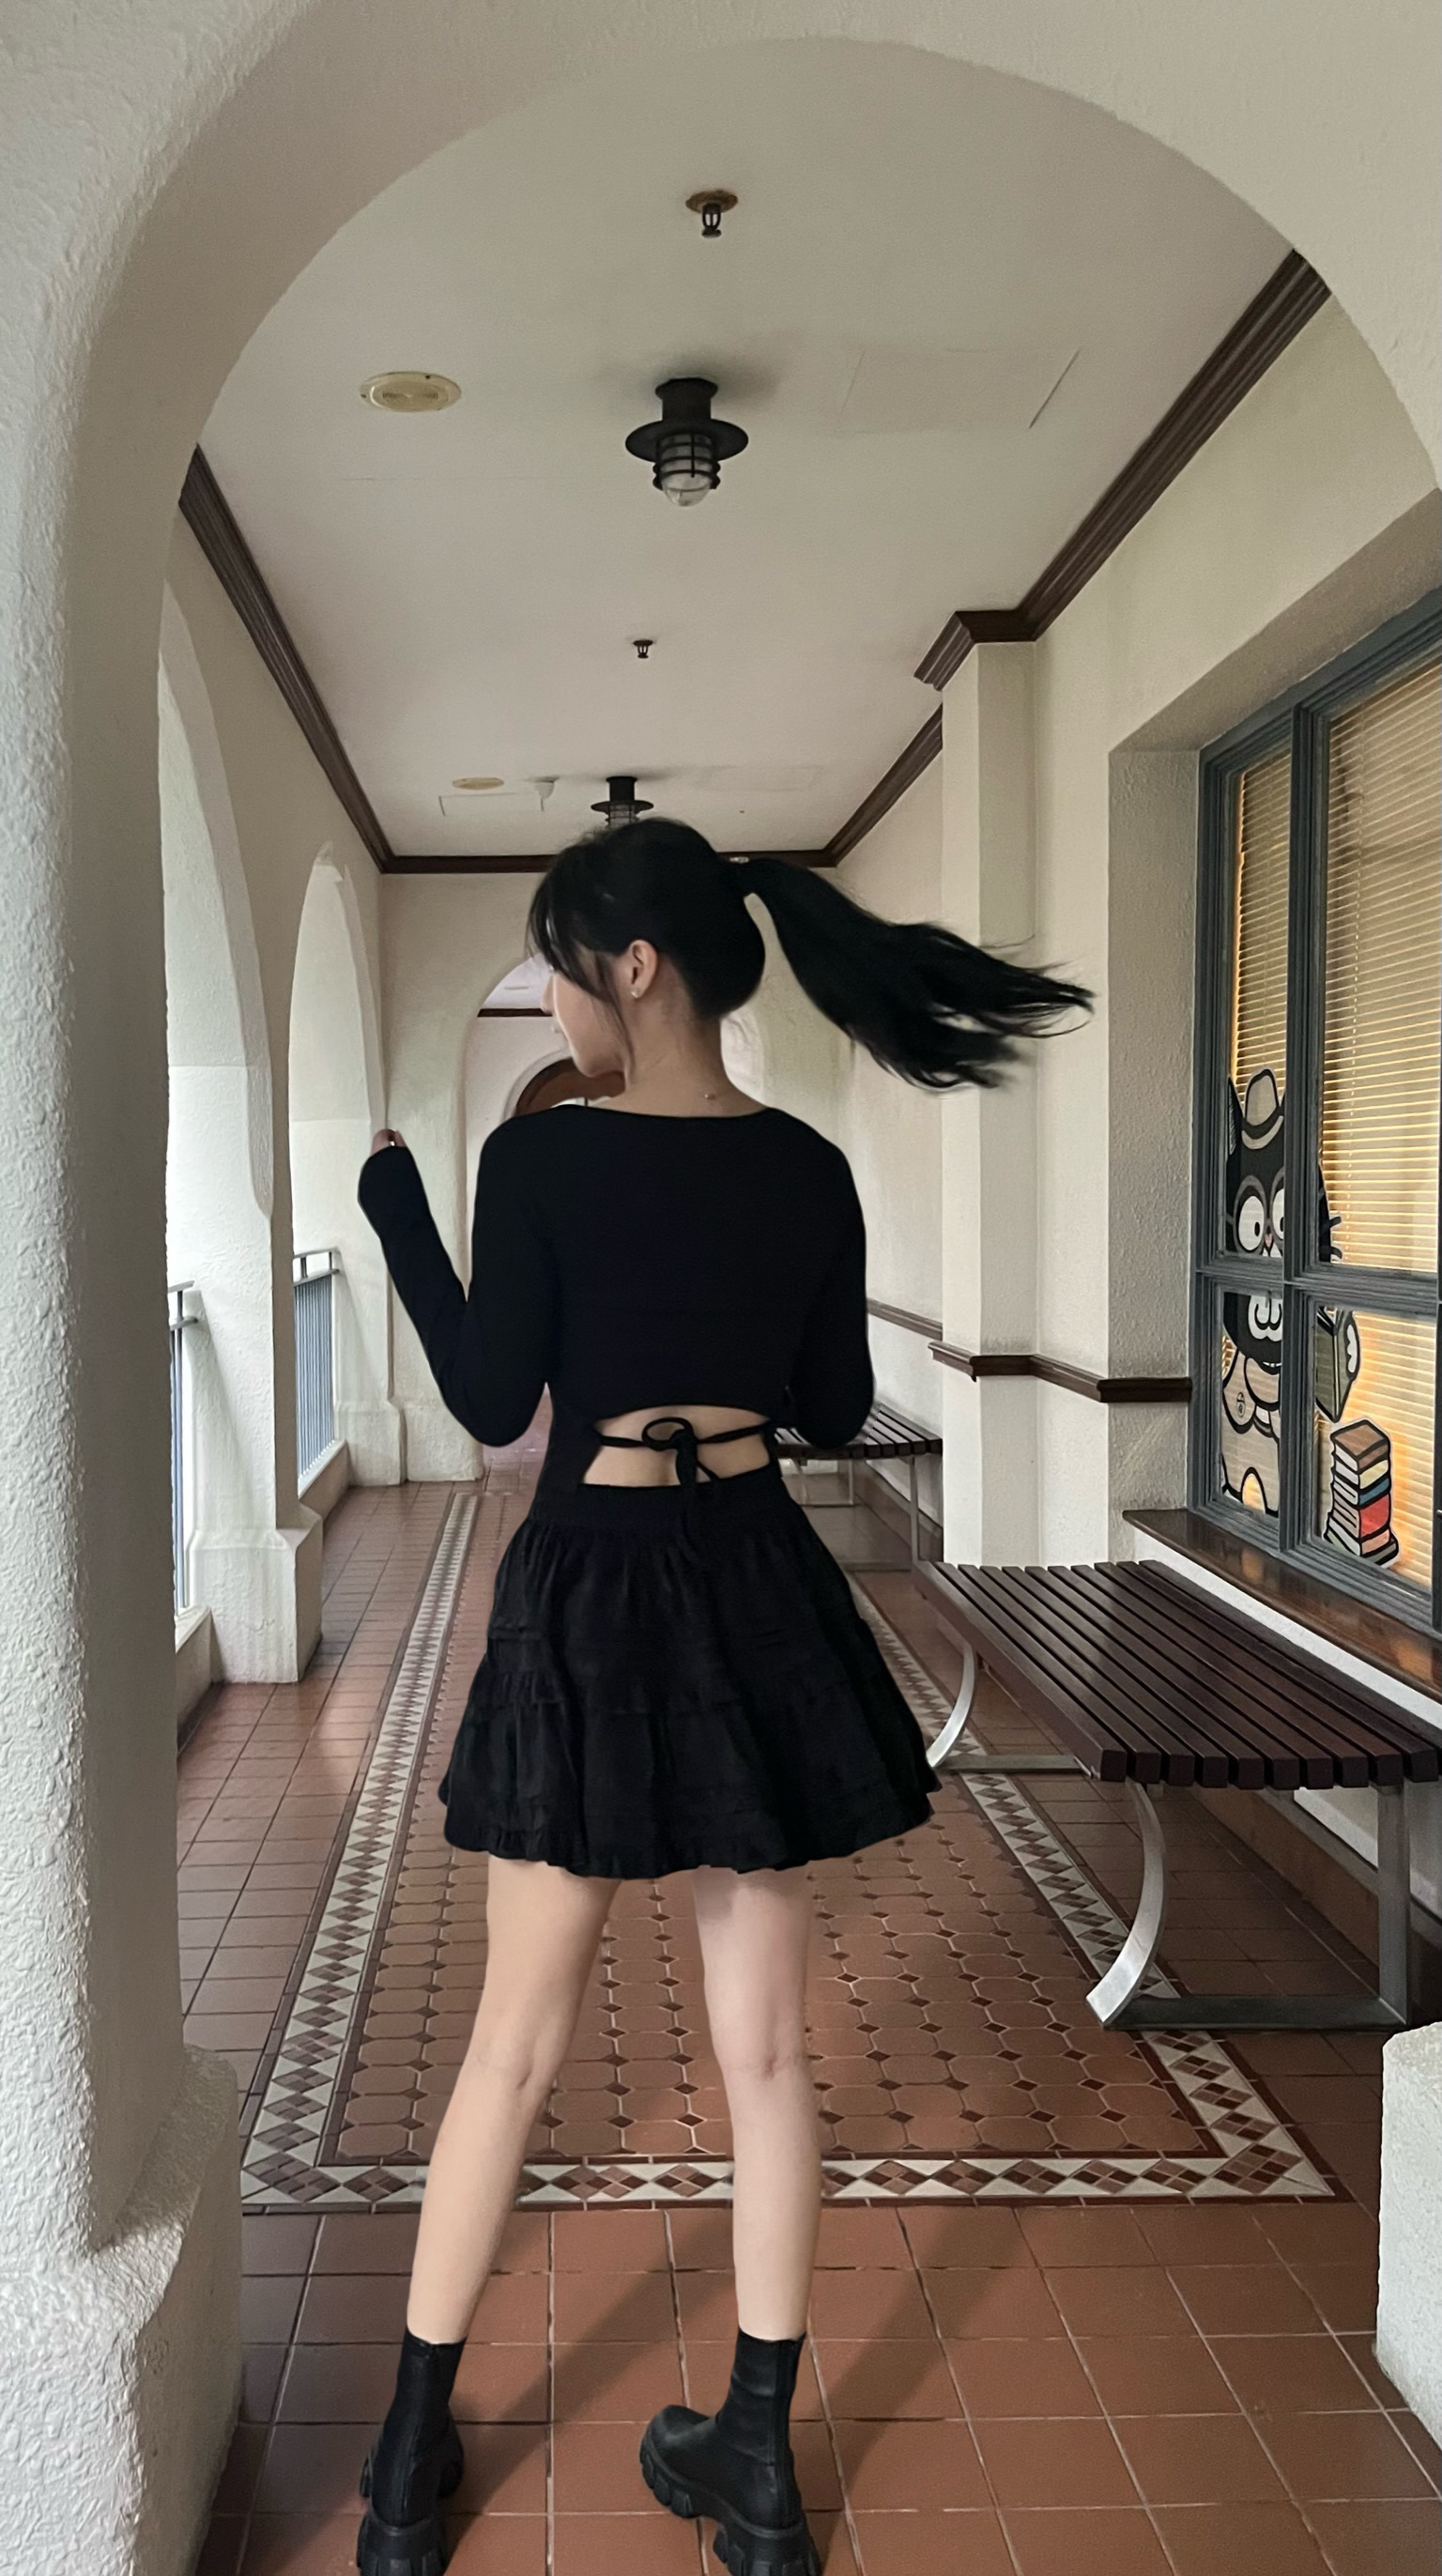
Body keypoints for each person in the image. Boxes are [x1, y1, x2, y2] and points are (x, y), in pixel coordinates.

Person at [354, 819, 1087, 2576]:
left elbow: (489, 1400)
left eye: (556, 964)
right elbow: (830, 1407)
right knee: (764, 2053)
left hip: (593, 1590)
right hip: (755, 1582)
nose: (550, 996)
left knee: (511, 2048)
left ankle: (399, 2477)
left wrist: (396, 1210)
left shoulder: (541, 1157)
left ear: (632, 966)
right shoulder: (808, 1167)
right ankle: (757, 2473)